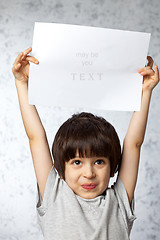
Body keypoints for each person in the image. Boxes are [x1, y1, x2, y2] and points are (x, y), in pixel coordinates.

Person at [12, 47, 159, 240]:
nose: (89, 173)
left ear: (113, 166)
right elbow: (36, 137)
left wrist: (145, 90)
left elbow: (133, 144)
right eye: (77, 162)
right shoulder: (54, 196)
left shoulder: (119, 202)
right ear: (60, 168)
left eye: (99, 162)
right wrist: (21, 83)